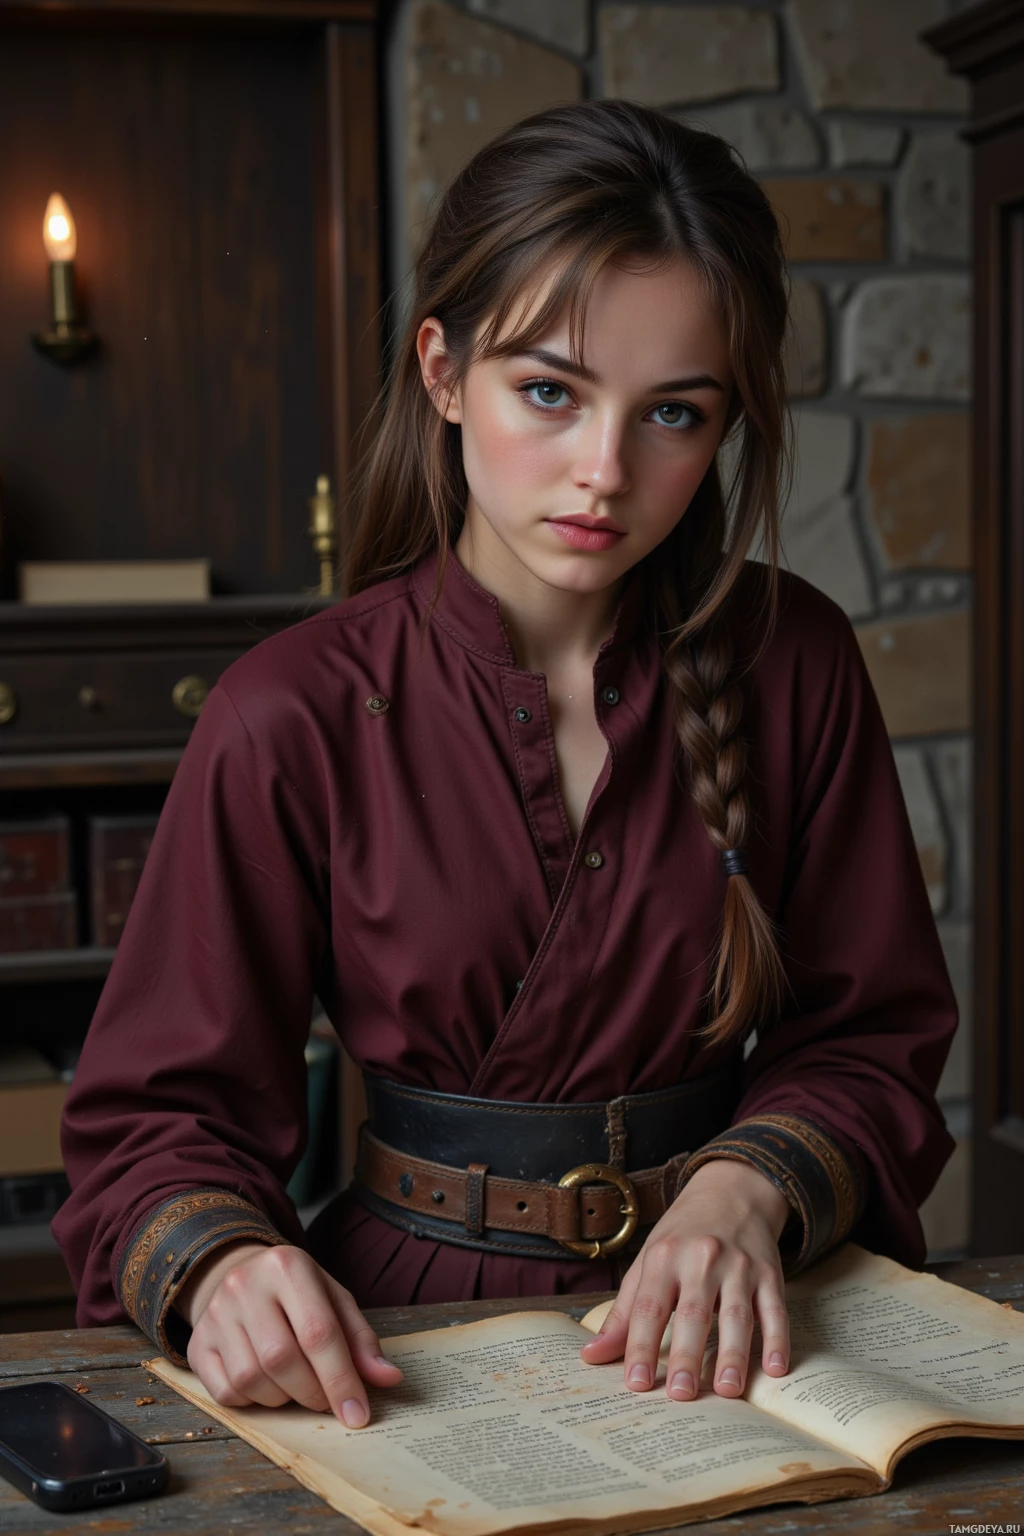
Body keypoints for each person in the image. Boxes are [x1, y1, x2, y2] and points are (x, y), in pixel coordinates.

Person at [54, 99, 957, 1433]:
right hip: (408, 1350)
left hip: (747, 1312)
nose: (604, 473)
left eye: (676, 414)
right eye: (549, 390)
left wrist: (741, 1192)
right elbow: (152, 1125)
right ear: (442, 372)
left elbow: (871, 1038)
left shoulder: (797, 660)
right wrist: (232, 1266)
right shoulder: (288, 710)